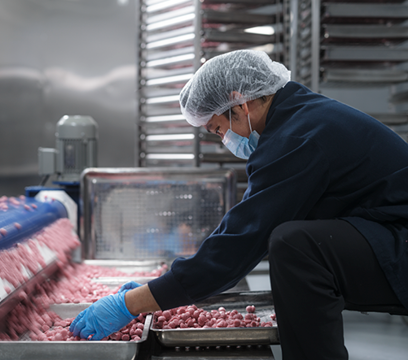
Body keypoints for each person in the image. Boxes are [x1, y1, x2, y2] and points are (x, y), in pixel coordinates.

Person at [70, 50, 408, 359]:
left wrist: (132, 303)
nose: (223, 140)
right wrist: (163, 286)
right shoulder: (301, 116)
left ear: (239, 103)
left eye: (218, 129)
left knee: (296, 246)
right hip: (388, 232)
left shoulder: (296, 138)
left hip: (399, 242)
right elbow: (249, 223)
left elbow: (240, 244)